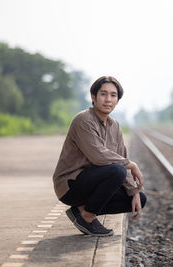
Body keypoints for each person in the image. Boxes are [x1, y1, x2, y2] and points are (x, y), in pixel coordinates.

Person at [52, 76, 146, 237]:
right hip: (70, 185)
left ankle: (80, 210)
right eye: (103, 94)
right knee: (117, 171)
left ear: (117, 100)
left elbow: (121, 156)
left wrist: (134, 192)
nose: (108, 99)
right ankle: (87, 217)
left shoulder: (115, 126)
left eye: (113, 95)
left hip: (92, 182)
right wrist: (132, 165)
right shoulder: (83, 120)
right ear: (93, 97)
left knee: (139, 199)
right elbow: (98, 156)